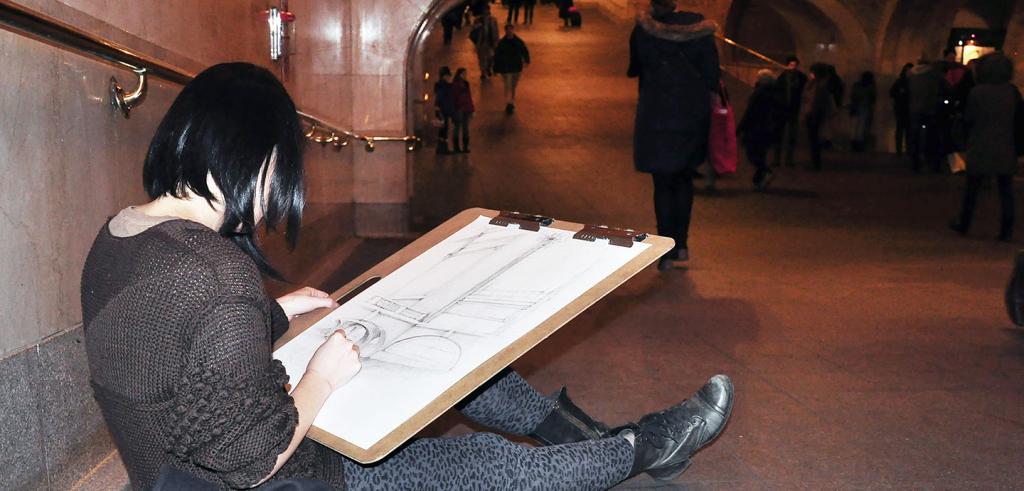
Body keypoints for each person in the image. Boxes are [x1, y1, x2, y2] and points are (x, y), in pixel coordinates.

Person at [81, 62, 736, 490]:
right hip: (278, 478)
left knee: (450, 369)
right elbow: (256, 456)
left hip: (170, 472)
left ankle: (577, 432)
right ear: (256, 159)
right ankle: (646, 443)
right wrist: (319, 378)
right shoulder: (216, 274)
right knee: (486, 466)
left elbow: (162, 347)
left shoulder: (118, 234)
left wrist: (273, 315)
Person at [628, 0, 720, 270]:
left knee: (662, 184)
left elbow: (634, 67)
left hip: (656, 114)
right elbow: (712, 75)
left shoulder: (643, 30)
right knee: (684, 180)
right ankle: (681, 244)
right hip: (692, 115)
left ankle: (665, 249)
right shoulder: (700, 31)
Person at [949, 52, 1018, 242]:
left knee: (972, 188)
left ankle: (965, 223)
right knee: (1005, 190)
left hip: (981, 142)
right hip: (1005, 143)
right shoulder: (1011, 92)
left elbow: (969, 117)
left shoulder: (977, 92)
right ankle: (1006, 229)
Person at [737, 69, 782, 190]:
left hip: (755, 128)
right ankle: (759, 181)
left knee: (752, 153)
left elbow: (751, 111)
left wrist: (740, 128)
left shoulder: (759, 92)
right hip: (768, 128)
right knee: (761, 153)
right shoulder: (775, 91)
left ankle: (765, 173)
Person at [907, 60, 951, 172]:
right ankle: (932, 162)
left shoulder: (912, 75)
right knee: (932, 136)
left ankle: (914, 162)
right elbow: (947, 88)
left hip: (914, 109)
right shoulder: (935, 74)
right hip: (930, 108)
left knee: (915, 136)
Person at [773, 55, 807, 167]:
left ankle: (789, 160)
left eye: (795, 65)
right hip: (783, 109)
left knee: (791, 136)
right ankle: (777, 159)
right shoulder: (783, 77)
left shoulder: (801, 77)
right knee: (779, 135)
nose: (793, 67)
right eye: (791, 65)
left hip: (793, 109)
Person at [493, 24, 531, 115]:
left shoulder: (517, 42)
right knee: (508, 85)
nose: (509, 32)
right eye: (508, 30)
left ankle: (511, 101)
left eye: (511, 30)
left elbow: (524, 51)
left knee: (513, 86)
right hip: (506, 68)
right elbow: (497, 56)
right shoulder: (502, 43)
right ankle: (509, 103)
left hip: (516, 67)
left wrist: (526, 60)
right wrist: (495, 68)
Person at [804, 63, 835, 171]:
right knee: (814, 139)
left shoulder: (818, 86)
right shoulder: (818, 85)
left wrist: (810, 113)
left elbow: (813, 101)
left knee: (814, 140)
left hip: (814, 115)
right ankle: (815, 163)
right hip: (814, 114)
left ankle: (815, 164)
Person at [848, 71, 877, 152]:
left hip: (855, 107)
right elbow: (872, 98)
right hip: (865, 107)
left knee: (854, 127)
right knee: (861, 127)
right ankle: (859, 145)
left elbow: (853, 96)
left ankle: (853, 145)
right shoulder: (871, 86)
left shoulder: (856, 85)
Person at [890, 63, 913, 155]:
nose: (909, 73)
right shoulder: (900, 82)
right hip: (901, 108)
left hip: (909, 108)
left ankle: (908, 149)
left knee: (908, 130)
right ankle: (899, 149)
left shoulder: (913, 82)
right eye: (907, 71)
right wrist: (899, 93)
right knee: (900, 129)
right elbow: (892, 93)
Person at [470, 6, 500, 79]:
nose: (486, 13)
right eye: (484, 11)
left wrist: (496, 42)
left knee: (490, 58)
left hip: (490, 43)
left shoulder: (493, 20)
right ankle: (483, 72)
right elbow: (473, 29)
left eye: (487, 11)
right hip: (481, 43)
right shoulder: (478, 20)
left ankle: (488, 69)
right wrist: (477, 26)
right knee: (482, 59)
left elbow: (496, 32)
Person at [451, 67, 476, 153]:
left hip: (466, 108)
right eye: (463, 74)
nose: (465, 76)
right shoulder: (456, 85)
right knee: (458, 127)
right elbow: (454, 98)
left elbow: (469, 97)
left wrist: (471, 109)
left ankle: (464, 146)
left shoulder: (465, 83)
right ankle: (457, 147)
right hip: (459, 109)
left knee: (465, 128)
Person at [434, 66, 457, 154]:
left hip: (443, 110)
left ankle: (442, 148)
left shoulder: (442, 86)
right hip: (443, 110)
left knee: (443, 130)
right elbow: (442, 98)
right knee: (443, 130)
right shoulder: (444, 86)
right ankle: (442, 148)